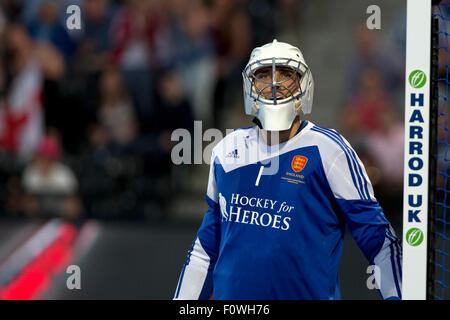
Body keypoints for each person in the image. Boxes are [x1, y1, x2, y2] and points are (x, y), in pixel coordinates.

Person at [174, 40, 402, 300]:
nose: (274, 84)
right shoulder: (226, 150)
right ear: (250, 85)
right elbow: (205, 251)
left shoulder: (329, 149)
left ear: (303, 84)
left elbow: (378, 240)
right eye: (263, 74)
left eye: (285, 73)